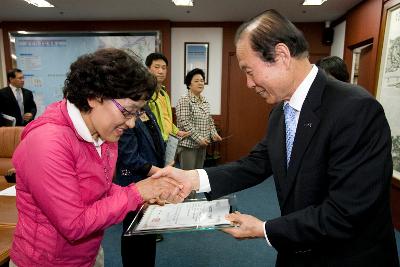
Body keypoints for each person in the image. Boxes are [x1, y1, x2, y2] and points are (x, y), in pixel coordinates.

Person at [152, 10, 399, 267]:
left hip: (346, 257)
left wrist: (265, 229)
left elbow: (347, 212)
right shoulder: (280, 112)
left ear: (281, 56)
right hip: (296, 250)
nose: (248, 83)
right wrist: (193, 178)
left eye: (249, 71)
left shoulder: (356, 109)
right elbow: (256, 164)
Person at [9, 48, 184, 267]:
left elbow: (100, 187)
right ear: (94, 97)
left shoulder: (104, 134)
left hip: (88, 255)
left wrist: (144, 197)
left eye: (137, 113)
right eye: (128, 111)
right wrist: (136, 193)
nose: (131, 123)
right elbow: (73, 224)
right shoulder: (47, 142)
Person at [115, 104, 166, 267]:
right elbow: (130, 158)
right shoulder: (124, 113)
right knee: (134, 234)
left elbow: (156, 141)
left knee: (149, 232)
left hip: (152, 179)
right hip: (134, 181)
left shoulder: (146, 108)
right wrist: (162, 173)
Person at [176, 68, 222, 171]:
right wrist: (199, 138)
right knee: (187, 175)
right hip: (188, 145)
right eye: (196, 81)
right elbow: (185, 122)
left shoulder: (204, 100)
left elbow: (209, 120)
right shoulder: (184, 99)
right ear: (189, 84)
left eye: (201, 80)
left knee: (198, 174)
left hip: (202, 145)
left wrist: (214, 133)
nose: (200, 83)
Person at [145, 52, 190, 141]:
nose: (161, 71)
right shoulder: (144, 93)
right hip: (154, 142)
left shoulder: (163, 93)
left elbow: (165, 118)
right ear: (148, 69)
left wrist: (177, 131)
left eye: (164, 68)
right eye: (156, 67)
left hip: (167, 141)